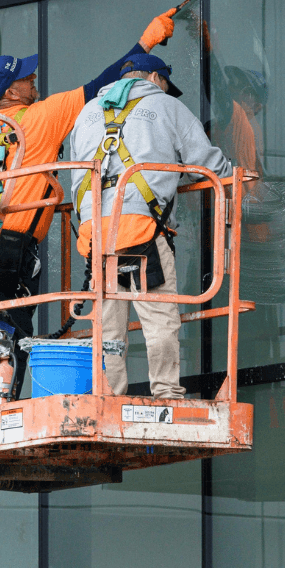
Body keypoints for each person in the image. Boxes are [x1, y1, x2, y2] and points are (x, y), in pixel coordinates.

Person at [0, 7, 181, 340]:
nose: (33, 78)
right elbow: (103, 83)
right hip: (14, 243)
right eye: (25, 78)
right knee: (13, 334)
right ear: (11, 94)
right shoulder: (43, 115)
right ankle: (4, 388)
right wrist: (146, 42)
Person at [69, 54, 233, 399]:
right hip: (141, 230)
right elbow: (207, 163)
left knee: (108, 326)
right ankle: (166, 392)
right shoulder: (165, 106)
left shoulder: (86, 114)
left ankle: (108, 395)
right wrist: (237, 176)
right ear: (156, 78)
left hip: (95, 233)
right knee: (159, 318)